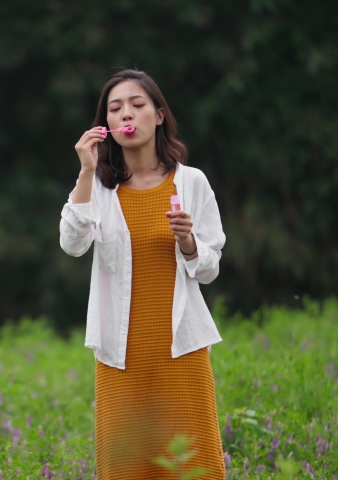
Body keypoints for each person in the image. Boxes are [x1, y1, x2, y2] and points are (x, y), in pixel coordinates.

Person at [59, 69, 227, 479]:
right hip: (121, 357)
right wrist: (85, 170)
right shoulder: (98, 186)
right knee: (126, 467)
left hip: (181, 351)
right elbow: (71, 242)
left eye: (137, 105)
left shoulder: (192, 183)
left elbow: (210, 268)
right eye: (115, 109)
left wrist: (187, 242)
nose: (126, 115)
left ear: (158, 116)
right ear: (106, 126)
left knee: (193, 465)